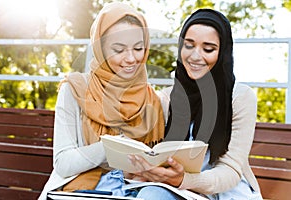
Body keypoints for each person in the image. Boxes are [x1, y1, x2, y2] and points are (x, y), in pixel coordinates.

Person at [128, 9, 263, 200]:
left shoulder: (240, 98)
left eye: (208, 49)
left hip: (222, 193)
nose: (195, 56)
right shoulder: (167, 98)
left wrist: (184, 180)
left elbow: (230, 171)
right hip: (174, 189)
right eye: (188, 45)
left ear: (223, 52)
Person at [38, 2, 165, 200]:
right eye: (119, 49)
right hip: (79, 191)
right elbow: (63, 163)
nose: (131, 58)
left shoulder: (153, 100)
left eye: (138, 48)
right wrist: (114, 147)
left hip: (133, 191)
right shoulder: (75, 89)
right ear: (101, 49)